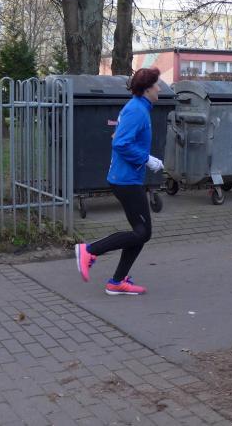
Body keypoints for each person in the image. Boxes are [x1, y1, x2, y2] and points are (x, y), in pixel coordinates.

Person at [73, 67, 164, 295]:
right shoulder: (137, 110)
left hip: (127, 177)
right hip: (126, 180)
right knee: (142, 232)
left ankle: (117, 281)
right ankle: (89, 250)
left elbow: (118, 136)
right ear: (147, 89)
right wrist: (147, 159)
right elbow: (120, 143)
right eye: (156, 85)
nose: (159, 89)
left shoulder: (138, 107)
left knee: (141, 232)